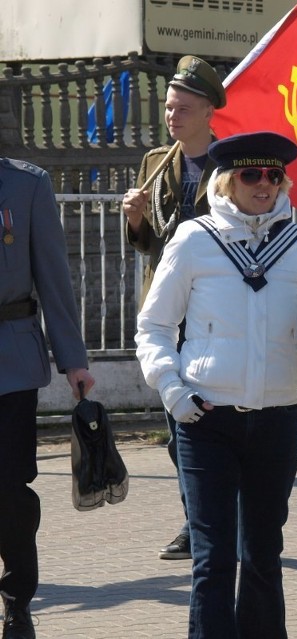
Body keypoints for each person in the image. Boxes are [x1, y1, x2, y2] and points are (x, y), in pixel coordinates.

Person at [135, 132, 297, 639]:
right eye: (251, 174)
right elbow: (152, 327)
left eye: (274, 175)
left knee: (262, 555)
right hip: (205, 420)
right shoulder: (194, 239)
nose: (264, 184)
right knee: (214, 559)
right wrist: (172, 392)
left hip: (277, 420)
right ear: (227, 180)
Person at [122, 54, 226, 561]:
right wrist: (136, 219)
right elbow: (149, 244)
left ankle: (219, 517)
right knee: (176, 427)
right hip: (169, 314)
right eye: (168, 107)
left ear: (209, 110)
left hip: (215, 313)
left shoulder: (232, 166)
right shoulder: (155, 162)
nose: (172, 115)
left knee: (216, 421)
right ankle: (197, 520)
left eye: (183, 107)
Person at [0, 157, 95, 639]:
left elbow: (53, 276)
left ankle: (17, 603)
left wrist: (73, 359)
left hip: (9, 362)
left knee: (10, 491)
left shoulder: (26, 184)